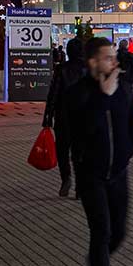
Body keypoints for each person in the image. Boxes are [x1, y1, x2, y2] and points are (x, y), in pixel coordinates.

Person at [59, 37, 133, 266]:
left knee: (118, 232)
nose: (115, 62)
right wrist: (102, 97)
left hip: (118, 173)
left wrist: (130, 149)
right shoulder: (78, 94)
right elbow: (78, 132)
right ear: (93, 62)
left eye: (114, 57)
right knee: (102, 231)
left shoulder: (124, 89)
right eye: (108, 57)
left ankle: (97, 265)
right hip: (91, 175)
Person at [42, 42, 84, 198]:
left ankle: (66, 178)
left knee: (62, 151)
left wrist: (47, 116)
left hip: (63, 116)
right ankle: (80, 186)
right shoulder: (88, 69)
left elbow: (53, 94)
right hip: (83, 118)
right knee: (80, 153)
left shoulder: (61, 69)